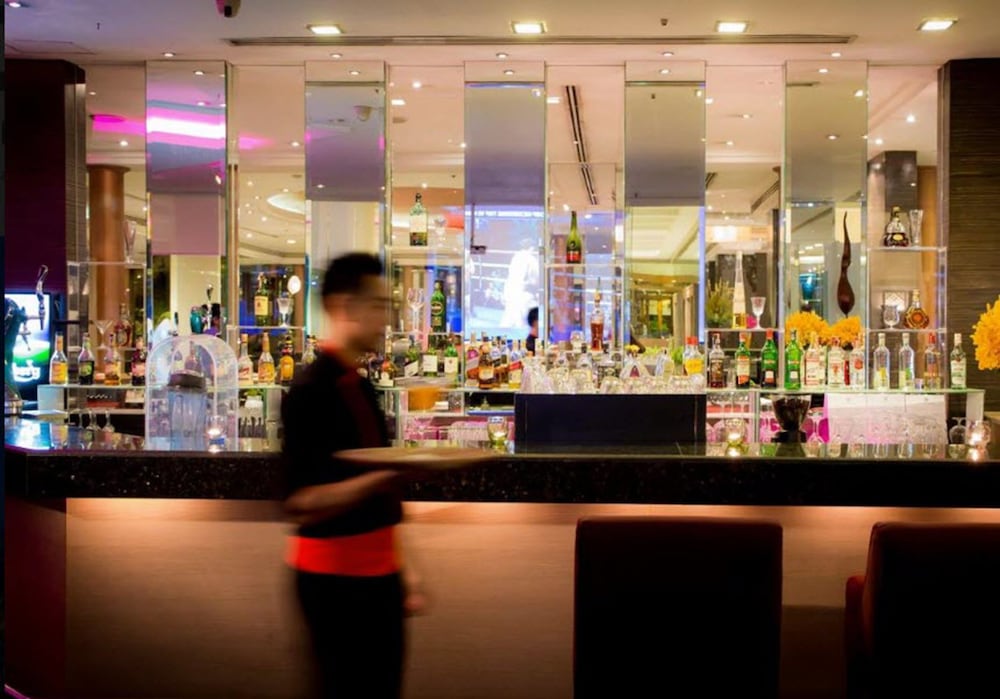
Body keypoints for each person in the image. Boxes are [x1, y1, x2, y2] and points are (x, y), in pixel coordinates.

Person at [281, 253, 425, 699]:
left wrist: (404, 570)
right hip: (333, 585)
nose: (388, 319)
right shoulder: (310, 391)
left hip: (380, 578)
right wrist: (386, 476)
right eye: (380, 306)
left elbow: (378, 497)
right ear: (345, 307)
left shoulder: (360, 385)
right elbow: (300, 501)